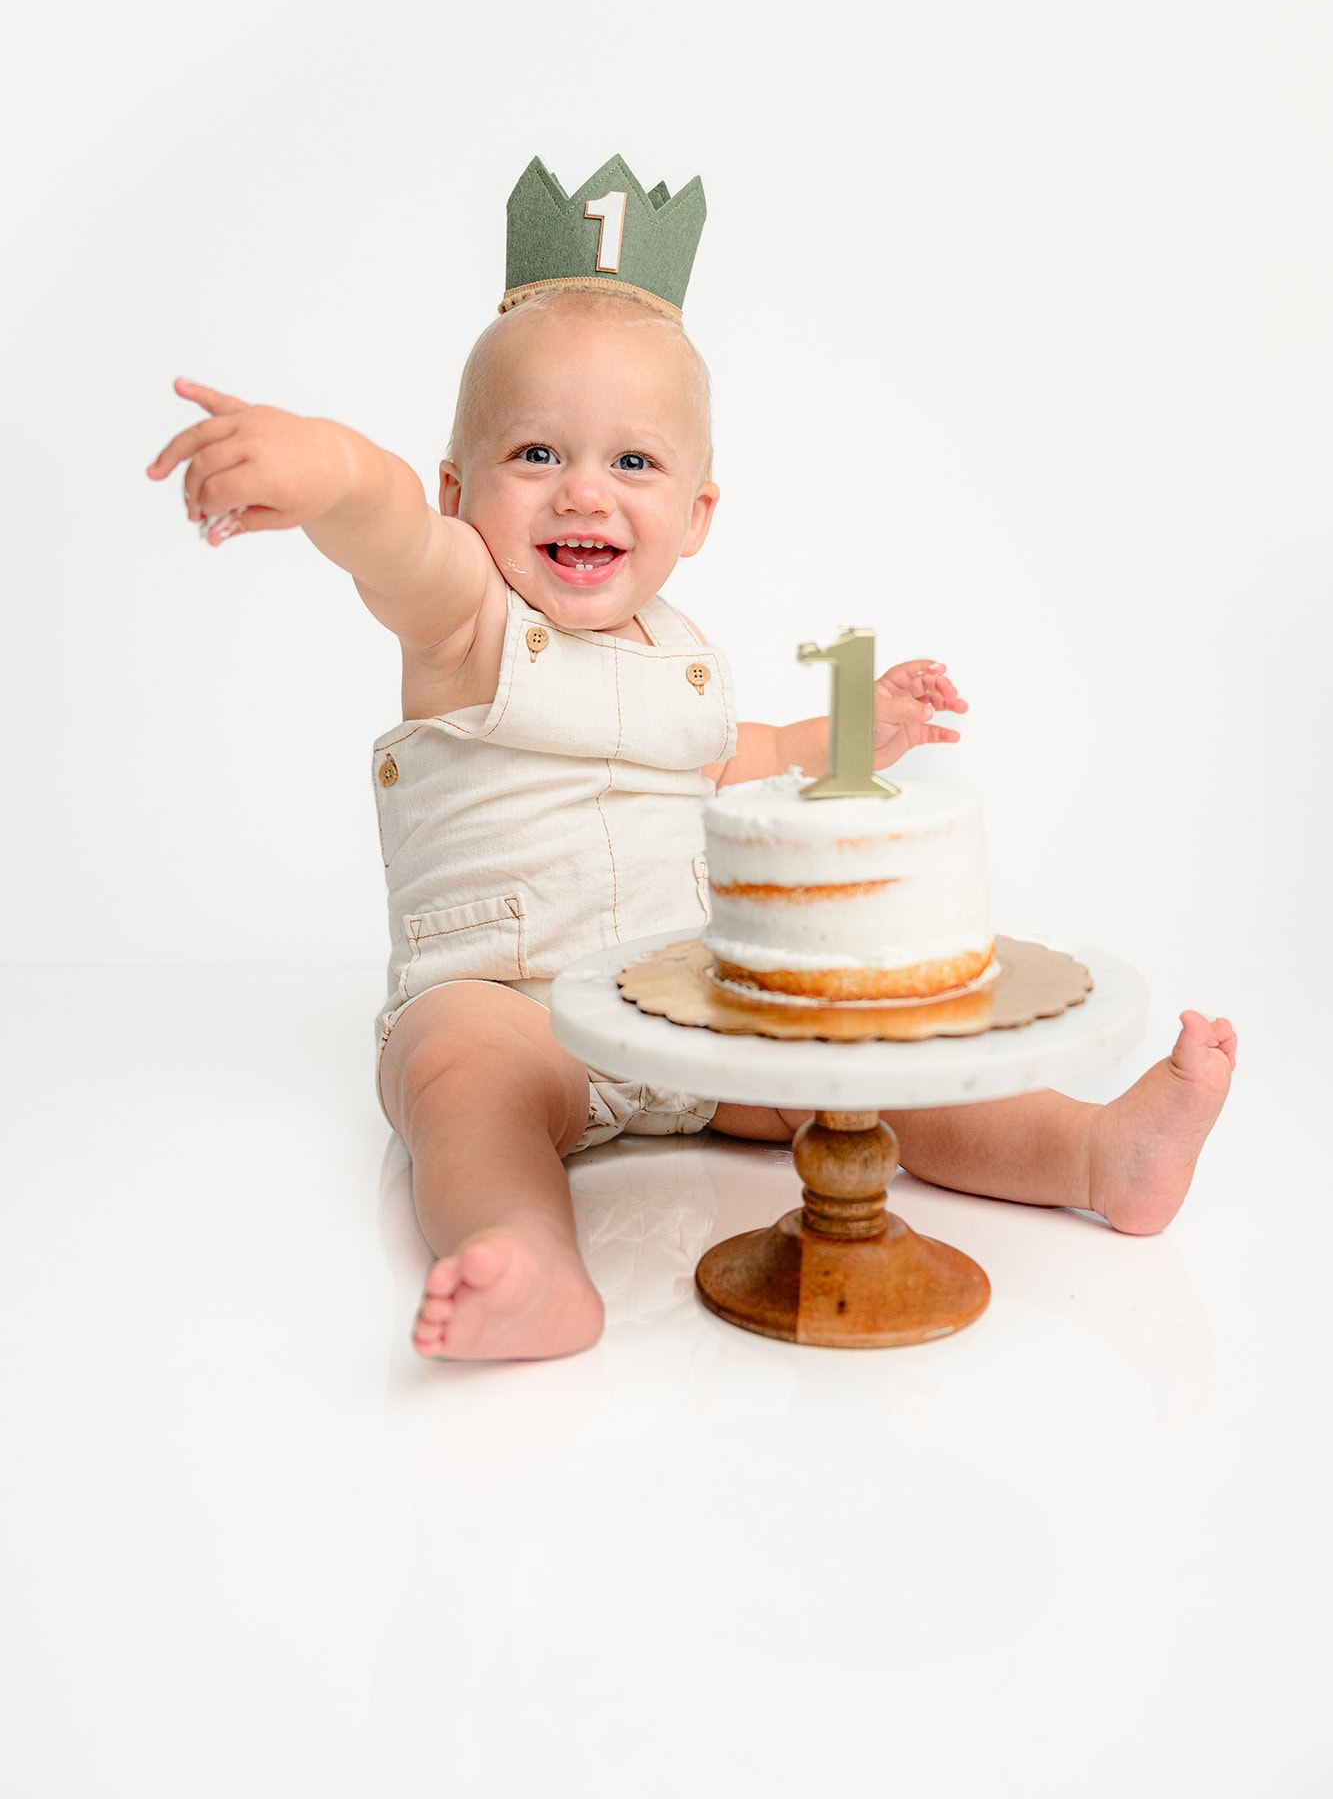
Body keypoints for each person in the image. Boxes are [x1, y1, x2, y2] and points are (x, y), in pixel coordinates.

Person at [146, 157, 1236, 1364]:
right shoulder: (466, 618)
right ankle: (528, 1262)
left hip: (674, 1007)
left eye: (631, 463)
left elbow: (742, 756)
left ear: (698, 513)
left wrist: (862, 727)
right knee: (462, 1090)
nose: (584, 494)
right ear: (462, 489)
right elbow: (393, 536)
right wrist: (334, 475)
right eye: (536, 455)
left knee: (863, 1074)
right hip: (508, 1007)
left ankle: (1090, 1149)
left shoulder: (682, 658)